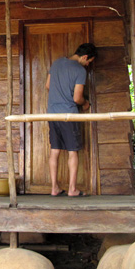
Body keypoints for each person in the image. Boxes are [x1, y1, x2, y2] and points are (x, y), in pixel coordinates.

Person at [45, 43, 97, 197]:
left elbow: (48, 85)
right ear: (85, 57)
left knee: (55, 151)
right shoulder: (80, 70)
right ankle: (72, 189)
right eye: (89, 62)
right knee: (72, 152)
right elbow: (77, 98)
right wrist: (86, 103)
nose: (88, 65)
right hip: (68, 115)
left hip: (52, 114)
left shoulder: (57, 63)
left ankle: (54, 188)